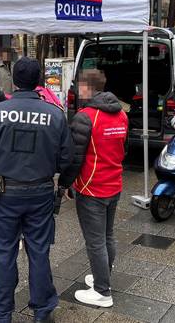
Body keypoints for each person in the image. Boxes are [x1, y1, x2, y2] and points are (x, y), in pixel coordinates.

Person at [0, 57, 74, 323]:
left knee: (4, 253)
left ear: (14, 81)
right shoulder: (54, 114)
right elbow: (68, 158)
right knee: (39, 251)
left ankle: (2, 314)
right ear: (39, 81)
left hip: (5, 192)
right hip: (40, 191)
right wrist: (62, 183)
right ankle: (42, 311)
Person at [62, 69, 128, 308]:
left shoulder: (85, 117)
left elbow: (74, 158)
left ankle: (102, 291)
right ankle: (103, 277)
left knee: (96, 242)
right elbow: (124, 149)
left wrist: (65, 184)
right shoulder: (121, 114)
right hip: (114, 183)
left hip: (91, 188)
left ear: (85, 87)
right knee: (107, 236)